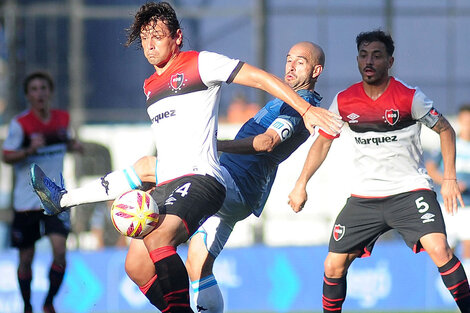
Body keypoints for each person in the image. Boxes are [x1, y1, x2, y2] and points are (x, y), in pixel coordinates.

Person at [31, 3, 342, 313]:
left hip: (219, 181)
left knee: (156, 221)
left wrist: (305, 110)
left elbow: (264, 131)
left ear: (177, 37)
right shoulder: (150, 86)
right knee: (150, 266)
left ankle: (64, 199)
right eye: (144, 39)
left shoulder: (206, 66)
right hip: (187, 179)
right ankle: (61, 200)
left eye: (157, 36)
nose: (150, 45)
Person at [288, 30, 470, 312]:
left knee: (439, 249)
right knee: (333, 265)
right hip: (365, 198)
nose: (368, 61)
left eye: (376, 55)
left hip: (410, 192)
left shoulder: (410, 97)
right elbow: (323, 143)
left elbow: (445, 129)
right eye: (363, 55)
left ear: (390, 61)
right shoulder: (345, 101)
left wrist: (448, 178)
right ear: (357, 61)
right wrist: (301, 184)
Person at [2, 71, 82, 313]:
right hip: (26, 204)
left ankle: (48, 303)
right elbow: (6, 156)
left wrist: (74, 146)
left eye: (43, 88)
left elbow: (66, 140)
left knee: (60, 253)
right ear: (28, 95)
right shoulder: (21, 125)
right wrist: (28, 151)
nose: (40, 93)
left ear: (50, 92)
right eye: (34, 89)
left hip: (55, 200)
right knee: (26, 259)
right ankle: (27, 306)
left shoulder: (62, 119)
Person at [426, 104, 470, 272]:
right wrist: (447, 182)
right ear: (459, 121)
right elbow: (431, 167)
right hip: (447, 205)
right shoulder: (450, 141)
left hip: (467, 205)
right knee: (445, 249)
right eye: (465, 121)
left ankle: (466, 285)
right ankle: (449, 284)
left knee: (468, 246)